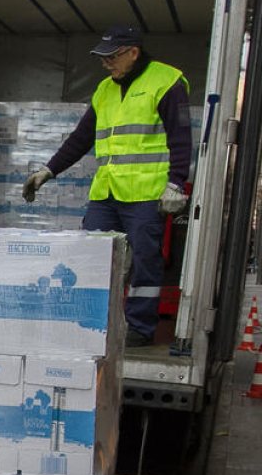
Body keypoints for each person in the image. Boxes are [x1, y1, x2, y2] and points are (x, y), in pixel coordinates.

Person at [22, 25, 192, 348]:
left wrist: (176, 183)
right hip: (107, 193)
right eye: (102, 58)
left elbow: (181, 138)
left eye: (112, 57)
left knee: (145, 259)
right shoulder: (104, 90)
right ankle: (93, 322)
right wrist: (48, 170)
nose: (106, 64)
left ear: (133, 53)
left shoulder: (166, 82)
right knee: (92, 256)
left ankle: (140, 328)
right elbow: (80, 138)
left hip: (145, 194)